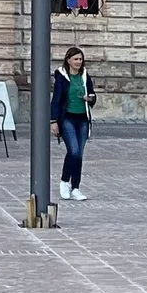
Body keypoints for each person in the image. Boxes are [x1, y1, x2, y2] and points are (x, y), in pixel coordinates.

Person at [51, 46, 96, 202]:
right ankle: (64, 181)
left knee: (80, 155)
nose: (78, 62)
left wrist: (90, 98)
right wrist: (54, 121)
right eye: (76, 59)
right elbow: (56, 99)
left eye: (80, 59)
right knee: (74, 151)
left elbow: (92, 95)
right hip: (67, 118)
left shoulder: (84, 75)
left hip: (83, 118)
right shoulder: (61, 76)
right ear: (68, 60)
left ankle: (75, 187)